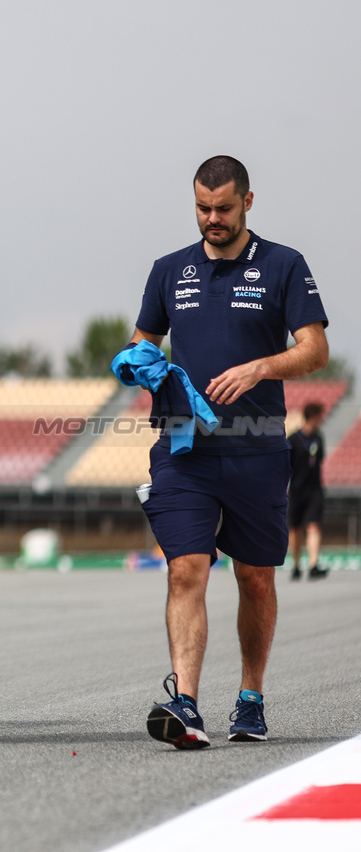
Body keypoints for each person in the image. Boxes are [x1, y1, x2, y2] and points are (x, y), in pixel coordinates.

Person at [127, 156, 328, 749]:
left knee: (256, 578)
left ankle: (250, 696)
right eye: (201, 208)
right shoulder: (168, 270)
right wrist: (137, 362)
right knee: (187, 567)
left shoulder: (284, 265)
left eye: (222, 207)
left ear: (247, 201)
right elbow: (144, 344)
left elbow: (314, 349)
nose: (211, 218)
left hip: (258, 450)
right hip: (184, 449)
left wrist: (261, 367)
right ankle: (185, 704)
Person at [287, 401, 328, 581]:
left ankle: (313, 564)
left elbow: (320, 460)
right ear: (313, 416)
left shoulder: (318, 437)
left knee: (313, 525)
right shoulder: (294, 440)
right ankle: (296, 564)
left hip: (314, 490)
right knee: (295, 529)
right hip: (296, 490)